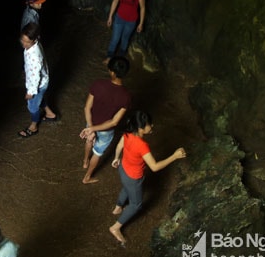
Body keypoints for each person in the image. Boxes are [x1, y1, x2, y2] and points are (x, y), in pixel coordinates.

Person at [108, 110, 186, 245]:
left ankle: (118, 207)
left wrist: (116, 158)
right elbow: (154, 167)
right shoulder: (142, 145)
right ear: (141, 128)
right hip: (133, 177)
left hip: (123, 169)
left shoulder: (127, 133)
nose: (152, 126)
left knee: (126, 188)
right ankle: (115, 227)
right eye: (149, 124)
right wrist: (174, 156)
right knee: (136, 205)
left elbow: (120, 145)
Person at [79, 56, 131, 184]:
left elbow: (87, 107)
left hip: (91, 121)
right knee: (98, 153)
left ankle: (85, 161)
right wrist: (94, 129)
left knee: (89, 140)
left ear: (112, 72)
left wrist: (90, 128)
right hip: (106, 130)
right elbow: (114, 122)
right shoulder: (126, 96)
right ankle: (87, 177)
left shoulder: (98, 84)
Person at [17, 22, 57, 138]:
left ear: (34, 40)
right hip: (42, 80)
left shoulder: (35, 56)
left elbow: (35, 77)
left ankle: (33, 127)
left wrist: (30, 92)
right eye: (22, 40)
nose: (23, 44)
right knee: (38, 99)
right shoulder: (34, 44)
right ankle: (50, 114)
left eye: (27, 42)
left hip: (37, 85)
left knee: (32, 106)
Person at [104, 0, 146, 65]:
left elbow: (142, 8)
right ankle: (109, 57)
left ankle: (120, 57)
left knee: (125, 39)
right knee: (115, 38)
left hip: (131, 21)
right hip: (119, 18)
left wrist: (141, 23)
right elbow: (115, 1)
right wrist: (110, 17)